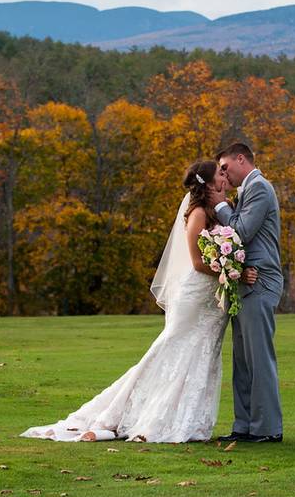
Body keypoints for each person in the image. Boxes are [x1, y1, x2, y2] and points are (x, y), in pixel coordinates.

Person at [19, 160, 257, 443]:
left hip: (210, 300)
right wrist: (233, 272)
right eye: (220, 173)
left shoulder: (217, 212)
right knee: (172, 350)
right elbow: (196, 262)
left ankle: (189, 421)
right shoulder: (197, 214)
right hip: (196, 297)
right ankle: (130, 415)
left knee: (201, 356)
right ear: (207, 183)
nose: (225, 176)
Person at [209, 142, 284, 444]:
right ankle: (245, 425)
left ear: (241, 159)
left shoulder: (260, 188)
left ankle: (267, 428)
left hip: (261, 281)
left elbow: (240, 231)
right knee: (242, 360)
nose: (223, 176)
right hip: (245, 282)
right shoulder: (246, 192)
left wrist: (219, 205)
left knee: (258, 357)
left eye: (225, 167)